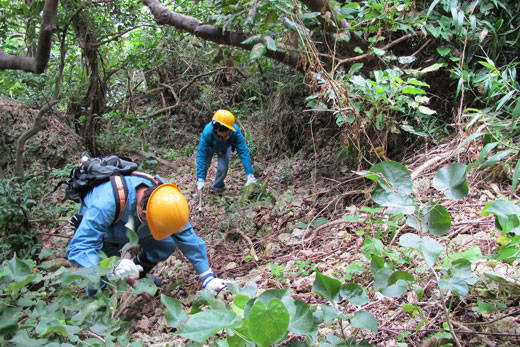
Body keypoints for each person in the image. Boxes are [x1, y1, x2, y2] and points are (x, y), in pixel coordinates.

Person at [67, 174, 227, 296]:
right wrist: (112, 267)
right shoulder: (105, 203)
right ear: (144, 214)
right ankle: (101, 317)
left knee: (166, 242)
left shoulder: (165, 199)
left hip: (135, 229)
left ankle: (138, 273)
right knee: (100, 282)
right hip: (105, 239)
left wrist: (207, 277)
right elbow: (79, 248)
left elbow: (185, 234)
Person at [196, 109, 257, 193]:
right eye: (226, 132)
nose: (229, 133)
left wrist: (250, 174)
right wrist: (200, 179)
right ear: (217, 129)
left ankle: (218, 187)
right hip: (210, 148)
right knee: (205, 165)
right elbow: (202, 154)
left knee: (223, 168)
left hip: (224, 148)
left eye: (230, 130)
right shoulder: (208, 132)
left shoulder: (235, 131)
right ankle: (200, 185)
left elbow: (243, 151)